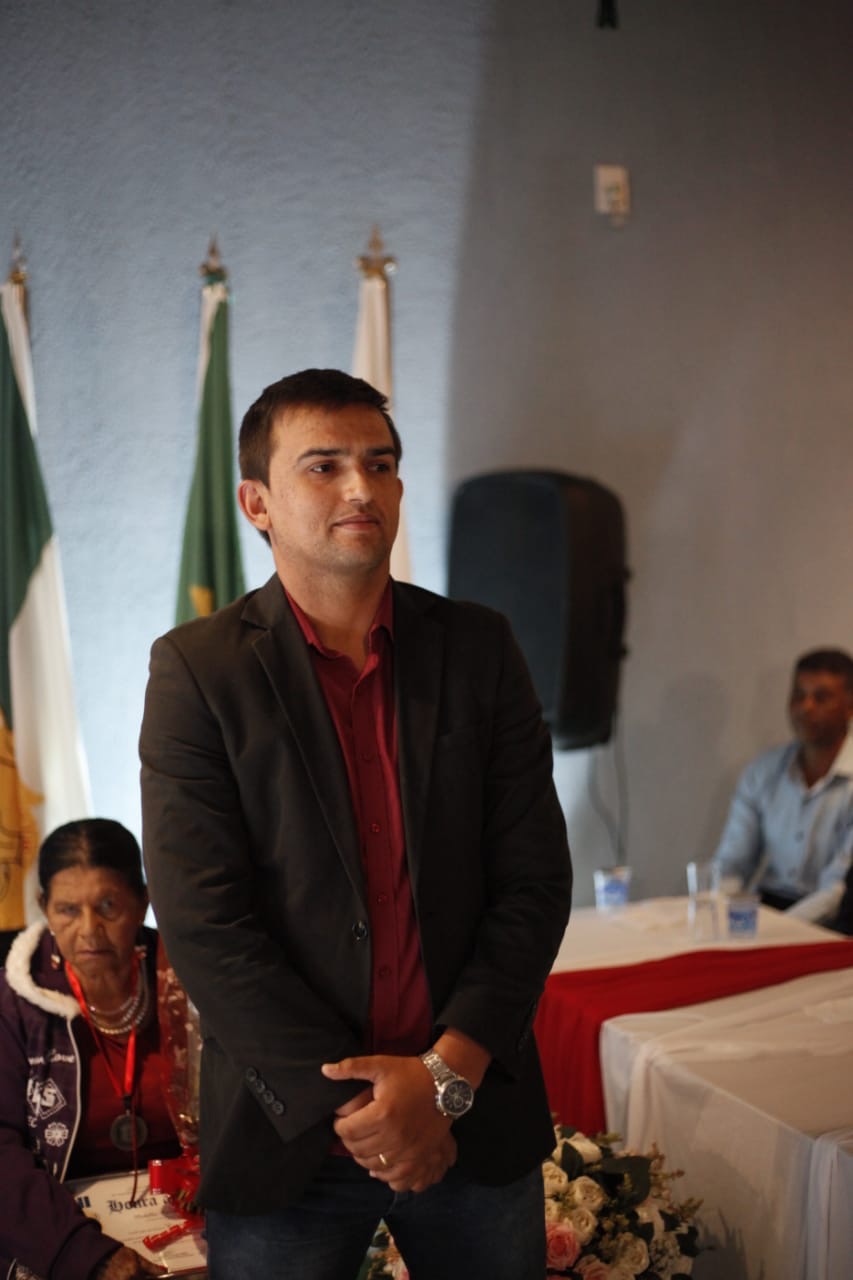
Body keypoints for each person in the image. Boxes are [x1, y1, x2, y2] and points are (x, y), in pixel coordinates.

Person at [139, 368, 573, 1279]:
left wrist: (442, 1079)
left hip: (472, 1118)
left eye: (379, 464)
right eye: (323, 466)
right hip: (289, 1133)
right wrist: (370, 1112)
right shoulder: (199, 672)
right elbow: (205, 922)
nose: (360, 488)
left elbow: (533, 881)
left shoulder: (479, 647)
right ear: (256, 502)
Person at [0, 818, 181, 1280]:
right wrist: (85, 1256)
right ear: (43, 906)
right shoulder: (14, 1003)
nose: (89, 930)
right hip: (62, 1233)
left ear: (143, 902)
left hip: (196, 1219)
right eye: (67, 910)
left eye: (108, 906)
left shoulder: (190, 981)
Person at [712, 648, 853, 923]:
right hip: (767, 906)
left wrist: (777, 932)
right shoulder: (763, 771)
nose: (806, 707)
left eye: (821, 697)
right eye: (798, 695)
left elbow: (838, 889)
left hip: (835, 919)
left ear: (850, 706)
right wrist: (723, 911)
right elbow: (732, 862)